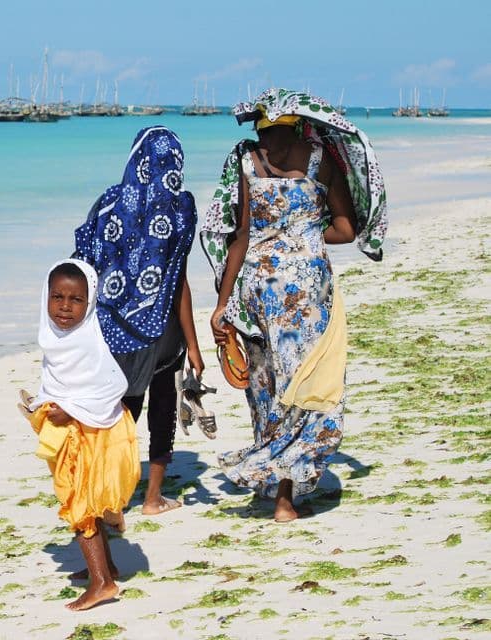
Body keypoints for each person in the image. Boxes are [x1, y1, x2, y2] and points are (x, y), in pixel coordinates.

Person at [203, 90, 367, 522]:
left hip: (257, 286)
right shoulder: (319, 160)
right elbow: (347, 230)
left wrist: (222, 305)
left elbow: (239, 235)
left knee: (266, 382)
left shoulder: (247, 161)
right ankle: (284, 500)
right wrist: (306, 239)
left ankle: (272, 479)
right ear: (298, 125)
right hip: (306, 291)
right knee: (307, 382)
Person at [72, 126, 205, 517]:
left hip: (112, 327)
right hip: (164, 328)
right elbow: (177, 280)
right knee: (162, 403)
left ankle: (113, 502)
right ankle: (152, 498)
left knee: (120, 409)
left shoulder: (110, 202)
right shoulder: (181, 209)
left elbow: (84, 264)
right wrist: (194, 345)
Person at [25, 259, 140, 611]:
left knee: (79, 505)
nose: (64, 306)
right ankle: (108, 566)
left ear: (89, 304)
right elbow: (58, 382)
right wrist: (43, 403)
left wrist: (72, 409)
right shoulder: (54, 338)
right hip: (72, 431)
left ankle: (102, 583)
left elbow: (114, 386)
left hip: (92, 434)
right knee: (85, 501)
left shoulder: (89, 342)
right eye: (57, 296)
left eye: (76, 300)